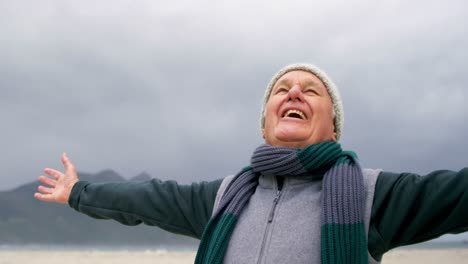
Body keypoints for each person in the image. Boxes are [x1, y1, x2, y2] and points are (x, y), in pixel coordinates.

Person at [35, 63, 468, 264]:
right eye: (283, 88)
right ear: (265, 125)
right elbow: (151, 199)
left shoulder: (373, 195)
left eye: (311, 90)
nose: (294, 92)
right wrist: (79, 192)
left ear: (334, 129)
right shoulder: (226, 197)